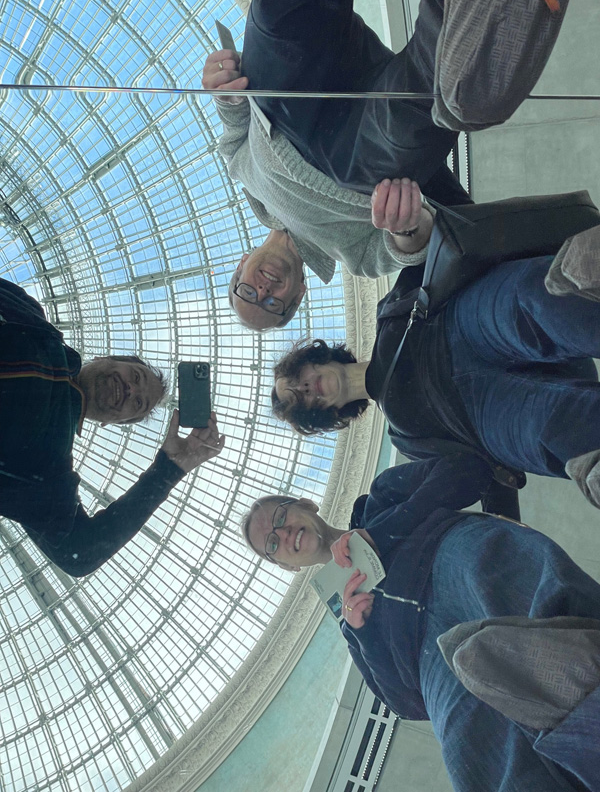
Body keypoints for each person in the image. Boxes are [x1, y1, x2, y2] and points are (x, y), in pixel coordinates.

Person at [202, 0, 573, 330]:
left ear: (240, 266)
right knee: (420, 113)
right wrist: (406, 226)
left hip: (281, 98)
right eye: (272, 304)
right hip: (356, 159)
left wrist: (222, 89)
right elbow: (409, 246)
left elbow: (235, 121)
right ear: (299, 295)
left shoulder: (242, 174)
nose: (263, 290)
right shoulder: (356, 258)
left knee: (278, 13)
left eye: (247, 291)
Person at [241, 455, 600, 792]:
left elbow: (470, 470)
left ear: (307, 504)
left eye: (280, 517)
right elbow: (404, 705)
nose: (283, 534)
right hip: (431, 664)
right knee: (476, 750)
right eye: (272, 544)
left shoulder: (378, 501)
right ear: (287, 566)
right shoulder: (351, 629)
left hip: (452, 558)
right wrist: (366, 634)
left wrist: (380, 532)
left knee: (547, 626)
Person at [269, 225, 600, 515]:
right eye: (301, 401)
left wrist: (408, 229)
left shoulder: (389, 313)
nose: (305, 389)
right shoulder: (404, 439)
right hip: (477, 414)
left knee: (534, 301)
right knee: (554, 428)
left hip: (464, 326)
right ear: (327, 413)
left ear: (316, 359)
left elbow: (439, 246)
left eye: (297, 379)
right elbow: (473, 471)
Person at [0, 277, 226, 576]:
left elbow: (78, 552)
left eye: (138, 404)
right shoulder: (34, 321)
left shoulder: (51, 466)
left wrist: (170, 468)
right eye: (136, 376)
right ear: (105, 357)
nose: (131, 390)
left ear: (113, 423)